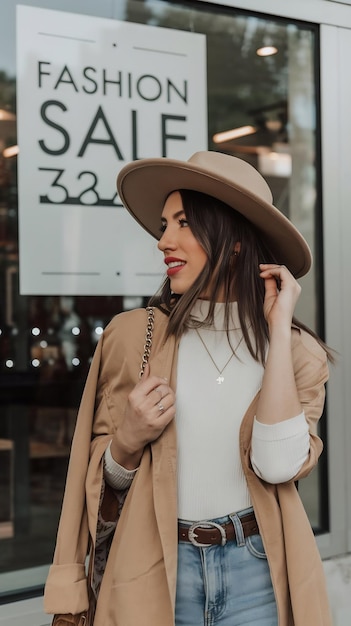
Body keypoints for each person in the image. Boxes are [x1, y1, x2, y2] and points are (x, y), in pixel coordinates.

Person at [44, 151, 333, 626]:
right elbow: (94, 482)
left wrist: (278, 333)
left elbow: (279, 466)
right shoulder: (132, 336)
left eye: (183, 223)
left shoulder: (298, 352)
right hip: (150, 566)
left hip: (257, 574)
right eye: (163, 225)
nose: (164, 241)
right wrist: (127, 442)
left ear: (234, 240)